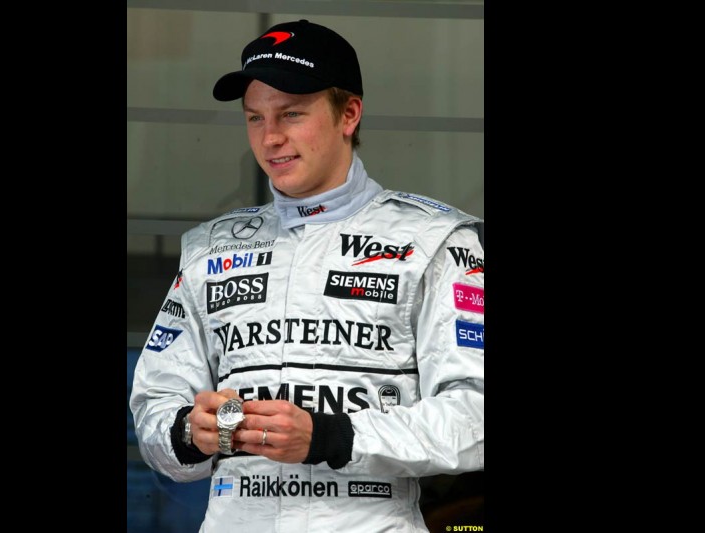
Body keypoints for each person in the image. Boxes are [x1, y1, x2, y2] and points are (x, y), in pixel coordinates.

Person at [130, 19, 484, 532]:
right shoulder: (210, 248)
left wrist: (330, 437)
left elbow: (475, 415)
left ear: (349, 114)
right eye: (255, 118)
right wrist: (191, 432)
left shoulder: (435, 241)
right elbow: (154, 411)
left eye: (292, 114)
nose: (271, 138)